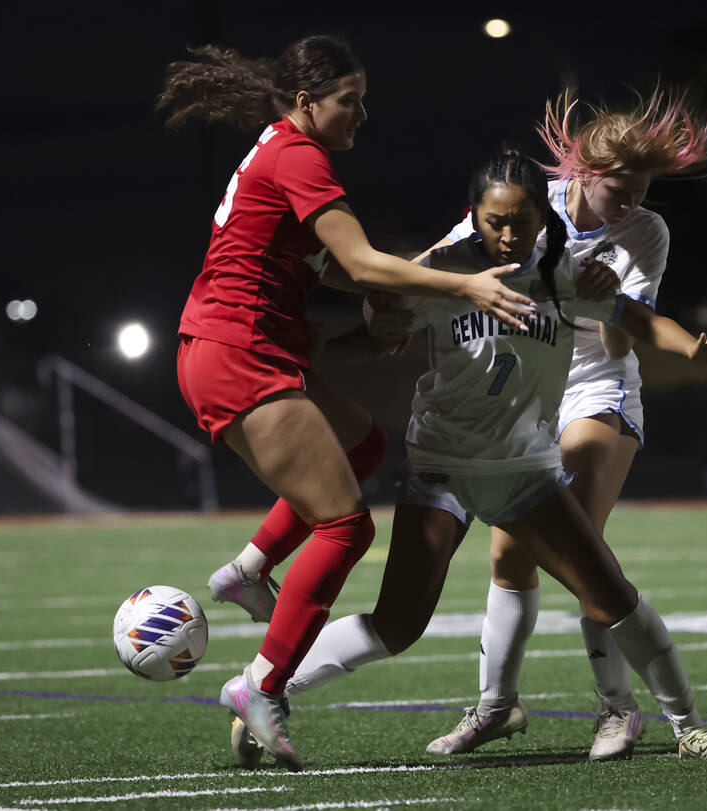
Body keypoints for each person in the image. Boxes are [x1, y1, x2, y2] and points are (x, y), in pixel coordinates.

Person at [230, 147, 707, 770]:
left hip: (525, 473)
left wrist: (692, 348)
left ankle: (691, 727)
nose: (507, 234)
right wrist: (354, 331)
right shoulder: (445, 271)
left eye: (521, 220)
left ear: (543, 216)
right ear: (472, 216)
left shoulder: (564, 270)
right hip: (440, 470)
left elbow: (631, 317)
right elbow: (379, 325)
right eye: (494, 220)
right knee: (399, 623)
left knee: (614, 597)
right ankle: (265, 691)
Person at [157, 34, 535, 770]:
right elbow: (359, 262)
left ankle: (249, 568)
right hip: (237, 352)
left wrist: (387, 297)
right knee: (346, 525)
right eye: (349, 101)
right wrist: (466, 284)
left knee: (364, 446)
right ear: (307, 103)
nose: (363, 114)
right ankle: (262, 683)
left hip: (237, 345)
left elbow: (332, 266)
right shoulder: (299, 156)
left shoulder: (278, 146)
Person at [417, 87, 707, 762]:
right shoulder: (530, 206)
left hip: (599, 387)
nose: (631, 204)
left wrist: (605, 302)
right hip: (530, 395)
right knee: (510, 554)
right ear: (583, 175)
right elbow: (441, 263)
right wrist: (386, 286)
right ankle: (497, 707)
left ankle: (627, 713)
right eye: (620, 190)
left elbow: (626, 338)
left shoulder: (647, 232)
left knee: (580, 546)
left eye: (642, 190)